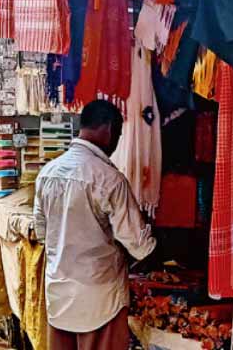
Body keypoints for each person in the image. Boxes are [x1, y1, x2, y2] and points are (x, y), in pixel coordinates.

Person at [33, 100, 157, 350]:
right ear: (109, 130)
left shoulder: (47, 173)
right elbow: (138, 244)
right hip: (100, 298)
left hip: (59, 294)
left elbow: (41, 232)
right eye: (119, 134)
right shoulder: (109, 179)